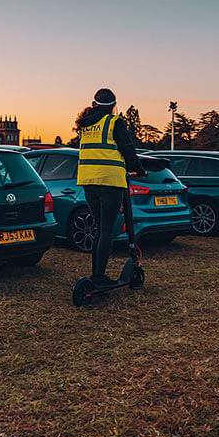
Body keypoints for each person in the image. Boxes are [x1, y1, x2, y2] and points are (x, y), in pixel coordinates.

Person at [75, 88, 146, 287]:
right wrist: (139, 169)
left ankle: (96, 272)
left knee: (100, 228)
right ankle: (98, 276)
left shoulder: (85, 125)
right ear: (113, 105)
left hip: (88, 182)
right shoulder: (114, 122)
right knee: (106, 229)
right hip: (110, 182)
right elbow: (127, 148)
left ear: (95, 103)